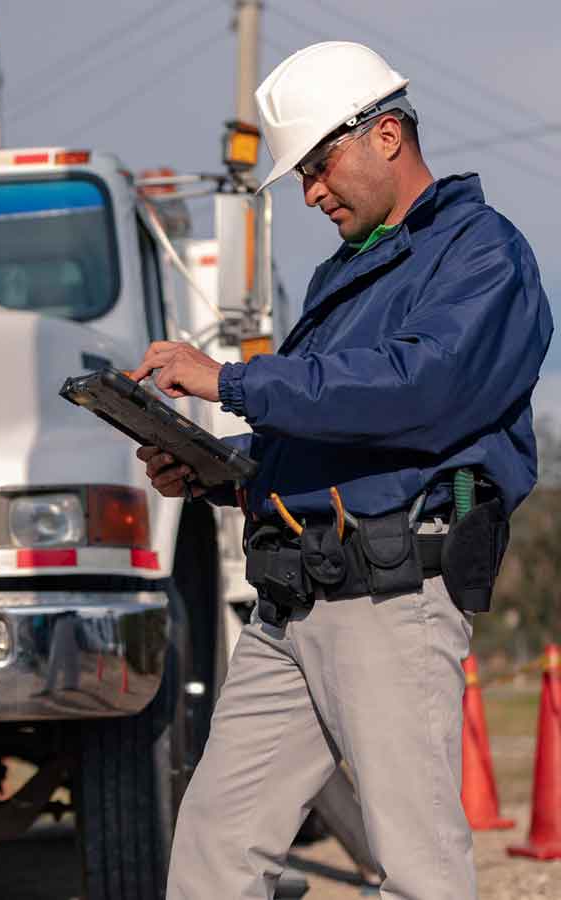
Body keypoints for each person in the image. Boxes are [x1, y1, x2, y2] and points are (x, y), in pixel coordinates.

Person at [130, 42, 553, 899]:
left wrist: (233, 380)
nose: (313, 192)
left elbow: (417, 392)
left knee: (418, 865)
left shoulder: (482, 257)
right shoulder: (351, 270)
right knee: (215, 846)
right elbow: (331, 432)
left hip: (391, 600)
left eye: (319, 166)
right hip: (294, 604)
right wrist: (221, 472)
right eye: (302, 179)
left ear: (387, 134)